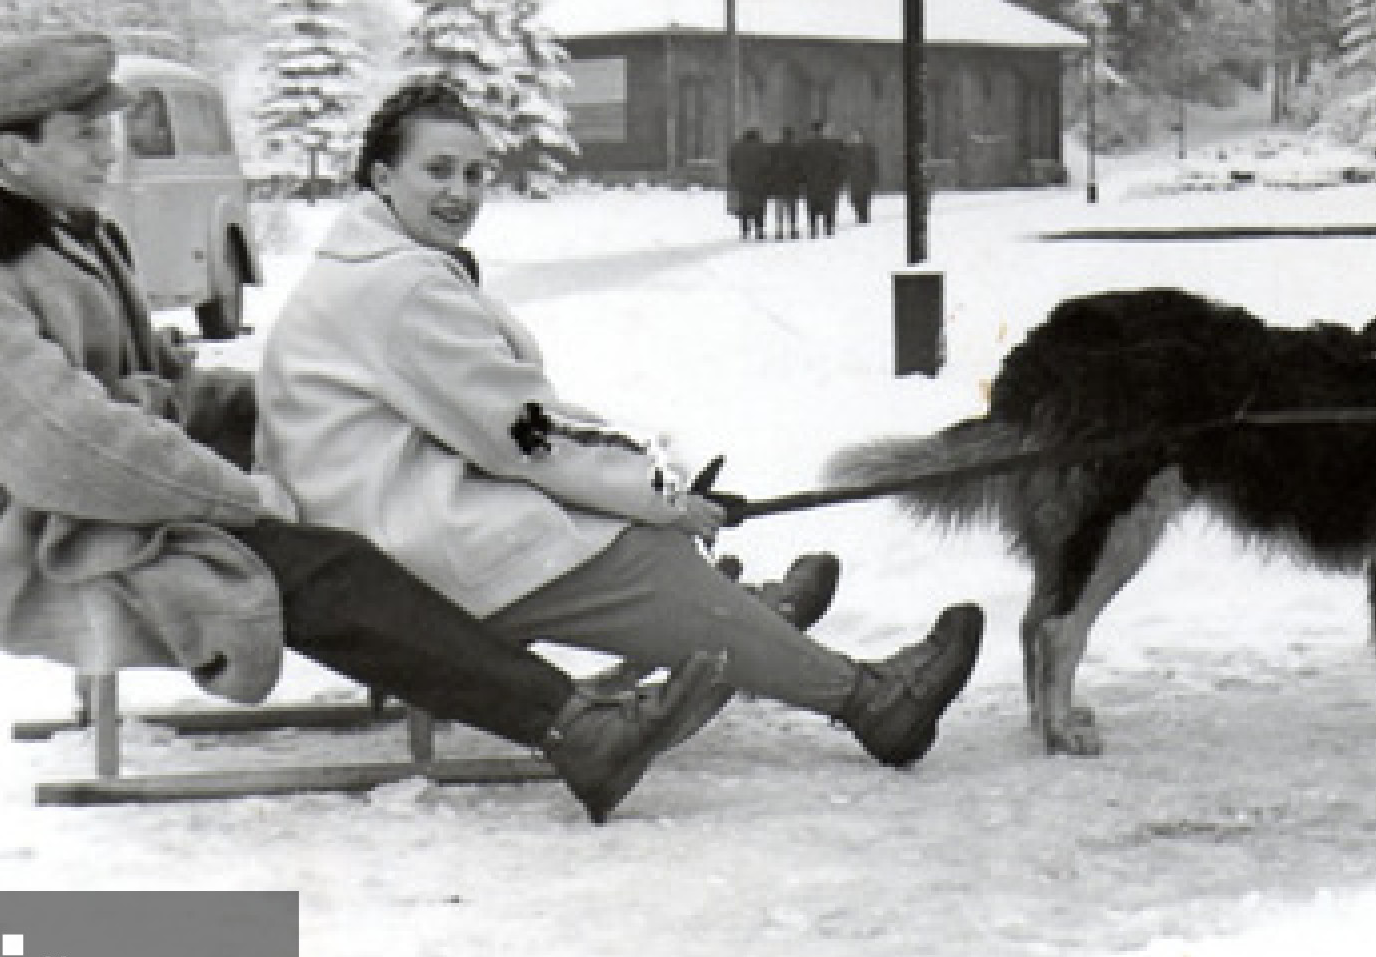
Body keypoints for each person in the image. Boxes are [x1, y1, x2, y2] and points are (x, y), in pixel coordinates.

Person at [0, 30, 721, 823]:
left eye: (109, 129)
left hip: (93, 494)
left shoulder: (71, 234)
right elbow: (67, 448)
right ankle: (575, 728)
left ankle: (659, 618)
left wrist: (302, 399)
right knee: (316, 561)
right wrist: (241, 497)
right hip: (24, 536)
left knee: (378, 457)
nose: (109, 151)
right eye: (85, 135)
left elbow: (165, 387)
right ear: (12, 153)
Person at [255, 80, 983, 776]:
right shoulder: (402, 285)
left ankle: (749, 629)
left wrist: (649, 483)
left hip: (376, 516)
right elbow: (525, 433)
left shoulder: (373, 265)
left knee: (624, 530)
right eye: (437, 170)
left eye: (475, 174)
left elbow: (506, 420)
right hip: (397, 546)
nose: (460, 193)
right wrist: (660, 492)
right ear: (382, 177)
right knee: (637, 553)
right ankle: (866, 698)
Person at [801, 120, 846, 238]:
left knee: (812, 206)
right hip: (828, 183)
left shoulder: (806, 146)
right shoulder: (831, 145)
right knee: (828, 206)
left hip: (811, 183)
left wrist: (803, 181)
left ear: (812, 131)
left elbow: (801, 165)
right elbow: (839, 164)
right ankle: (829, 228)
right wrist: (837, 181)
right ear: (822, 130)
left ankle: (813, 229)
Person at [725, 127, 769, 241]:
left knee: (744, 208)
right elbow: (767, 165)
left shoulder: (736, 148)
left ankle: (745, 230)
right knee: (759, 207)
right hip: (758, 183)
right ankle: (759, 230)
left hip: (741, 183)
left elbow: (730, 165)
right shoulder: (762, 148)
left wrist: (735, 178)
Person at [767, 125, 803, 239]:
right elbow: (800, 167)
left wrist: (771, 180)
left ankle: (779, 230)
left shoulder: (775, 148)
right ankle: (793, 229)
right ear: (792, 136)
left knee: (779, 207)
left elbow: (770, 165)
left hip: (778, 182)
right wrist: (800, 181)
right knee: (792, 207)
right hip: (792, 182)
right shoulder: (797, 149)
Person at [843, 127, 877, 224]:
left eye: (857, 135)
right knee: (854, 199)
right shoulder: (848, 149)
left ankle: (864, 218)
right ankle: (859, 216)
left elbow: (873, 164)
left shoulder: (868, 148)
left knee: (864, 199)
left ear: (861, 136)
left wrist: (873, 178)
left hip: (865, 178)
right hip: (853, 179)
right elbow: (845, 164)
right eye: (853, 135)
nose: (855, 137)